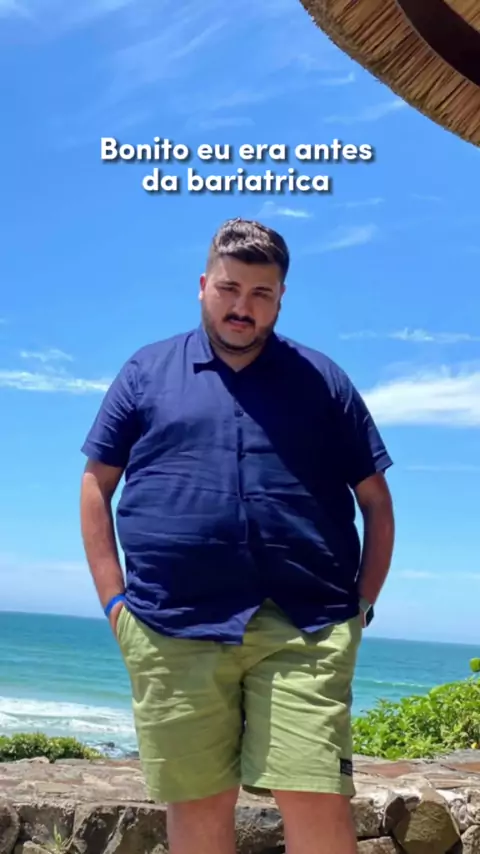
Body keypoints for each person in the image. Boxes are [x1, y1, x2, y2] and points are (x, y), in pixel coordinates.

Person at [80, 217, 395, 854]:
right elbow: (95, 486)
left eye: (260, 294)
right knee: (198, 806)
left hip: (305, 626)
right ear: (203, 285)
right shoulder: (145, 371)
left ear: (281, 298)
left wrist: (361, 604)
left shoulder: (323, 380)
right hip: (172, 624)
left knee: (316, 797)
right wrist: (116, 604)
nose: (242, 307)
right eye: (229, 289)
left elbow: (376, 502)